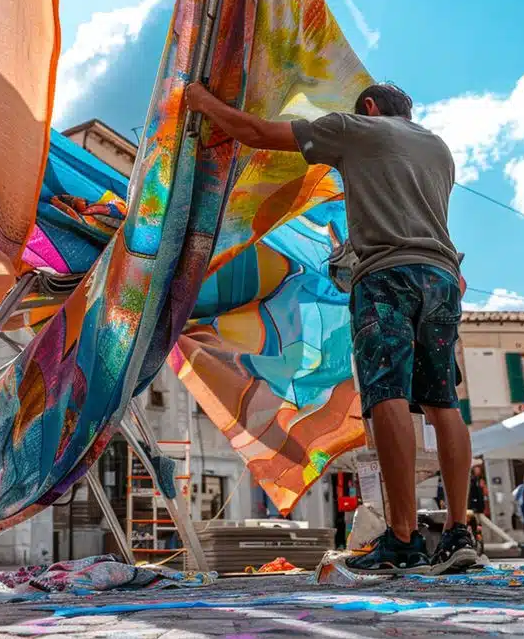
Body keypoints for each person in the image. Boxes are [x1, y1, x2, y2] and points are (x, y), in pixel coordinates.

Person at [184, 81, 475, 576]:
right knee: (442, 402)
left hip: (387, 275)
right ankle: (457, 532)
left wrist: (200, 100)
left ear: (367, 107)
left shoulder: (354, 128)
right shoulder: (437, 148)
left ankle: (403, 538)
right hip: (444, 278)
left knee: (386, 395)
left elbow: (253, 131)